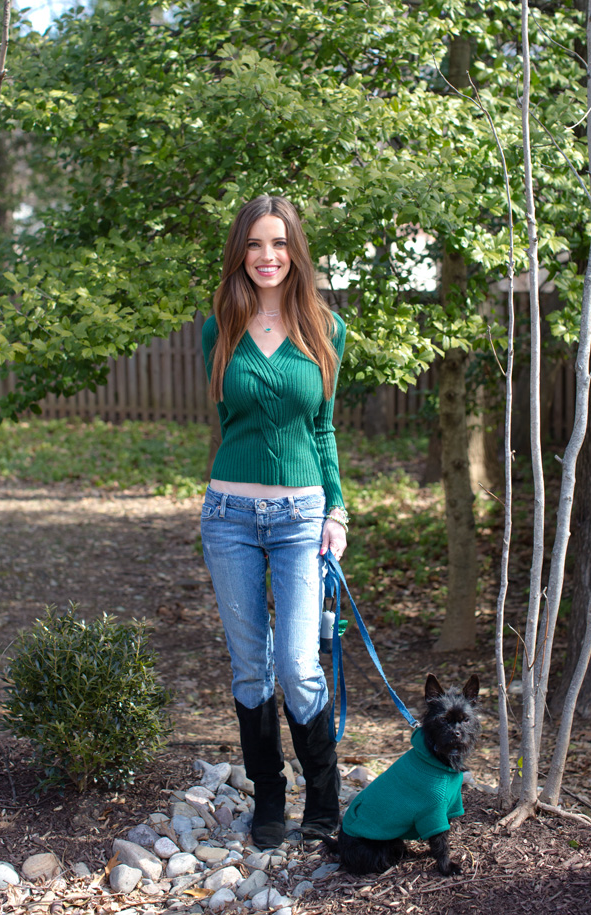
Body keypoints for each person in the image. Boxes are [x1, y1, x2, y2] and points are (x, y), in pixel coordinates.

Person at [200, 195, 349, 850]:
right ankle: (269, 797)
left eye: (280, 243)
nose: (268, 256)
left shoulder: (325, 328)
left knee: (296, 662)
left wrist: (337, 508)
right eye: (256, 244)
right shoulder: (220, 326)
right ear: (242, 251)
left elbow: (323, 427)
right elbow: (228, 422)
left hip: (299, 516)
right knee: (250, 668)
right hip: (228, 514)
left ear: (296, 252)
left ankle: (323, 791)